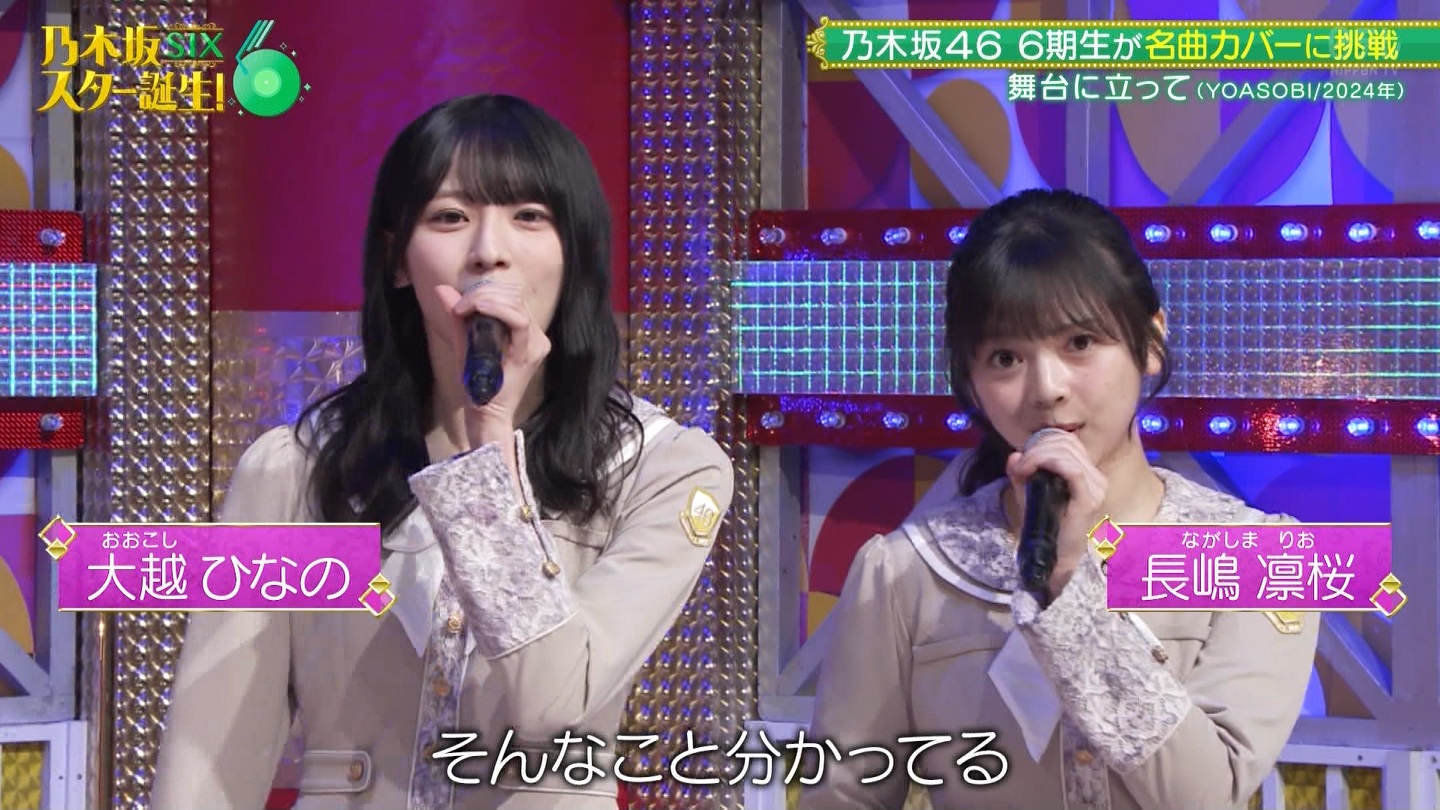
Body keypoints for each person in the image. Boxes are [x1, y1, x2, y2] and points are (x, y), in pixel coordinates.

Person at [152, 94, 735, 810]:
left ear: (574, 254)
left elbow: (552, 705)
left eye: (529, 216)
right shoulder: (296, 470)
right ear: (397, 258)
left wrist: (489, 452)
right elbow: (211, 752)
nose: (489, 250)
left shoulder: (662, 468)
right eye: (450, 217)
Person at [799, 188, 1320, 810]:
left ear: (1151, 341)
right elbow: (845, 797)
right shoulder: (905, 573)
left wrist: (1070, 579)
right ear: (970, 380)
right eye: (1005, 357)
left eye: (1080, 343)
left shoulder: (1264, 558)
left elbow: (1209, 795)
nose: (1046, 389)